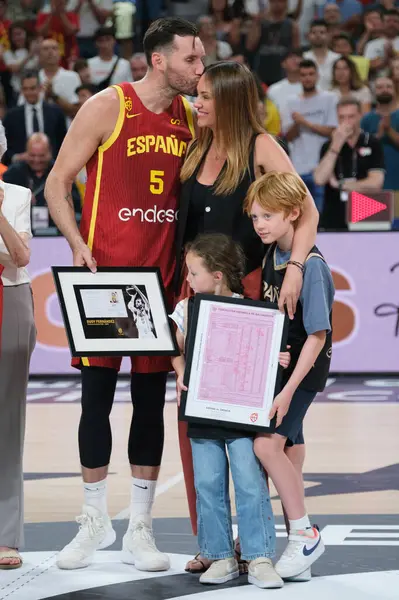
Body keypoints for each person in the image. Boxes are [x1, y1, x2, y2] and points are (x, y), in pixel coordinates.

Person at [44, 16, 205, 572]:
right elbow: (57, 182)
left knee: (147, 405)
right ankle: (93, 521)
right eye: (191, 59)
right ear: (159, 59)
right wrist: (75, 242)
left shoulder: (192, 116)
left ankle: (140, 525)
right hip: (108, 279)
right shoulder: (108, 106)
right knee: (95, 397)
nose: (199, 69)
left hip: (162, 281)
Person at [174, 60, 320, 574]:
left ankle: (255, 546)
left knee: (245, 436)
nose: (198, 103)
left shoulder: (260, 146)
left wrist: (298, 264)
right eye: (197, 94)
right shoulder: (196, 147)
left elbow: (307, 209)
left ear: (232, 100)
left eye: (207, 95)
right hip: (201, 303)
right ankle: (213, 542)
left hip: (248, 307)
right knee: (200, 430)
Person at [170, 233, 290, 589]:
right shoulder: (184, 309)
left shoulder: (250, 309)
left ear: (218, 275)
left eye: (193, 273)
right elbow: (169, 346)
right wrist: (180, 372)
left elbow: (269, 354)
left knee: (249, 482)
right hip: (202, 413)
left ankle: (259, 556)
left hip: (241, 416)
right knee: (207, 483)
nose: (188, 280)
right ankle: (219, 555)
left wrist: (277, 357)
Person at [244, 171, 335, 580]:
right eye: (255, 217)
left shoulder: (311, 267)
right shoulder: (271, 256)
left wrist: (287, 390)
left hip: (305, 373)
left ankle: (305, 534)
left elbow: (317, 336)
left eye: (268, 216)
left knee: (266, 447)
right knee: (290, 454)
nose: (259, 224)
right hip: (286, 369)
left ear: (294, 213)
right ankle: (298, 549)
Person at [0, 126, 36, 569]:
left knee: (7, 421)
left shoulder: (18, 195)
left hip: (9, 298)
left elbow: (21, 256)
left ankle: (5, 533)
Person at [314, 97, 385, 230]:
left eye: (351, 117)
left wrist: (340, 184)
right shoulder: (328, 146)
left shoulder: (372, 143)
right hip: (335, 212)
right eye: (342, 117)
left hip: (366, 209)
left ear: (360, 116)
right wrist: (336, 145)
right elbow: (319, 178)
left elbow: (376, 183)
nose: (346, 122)